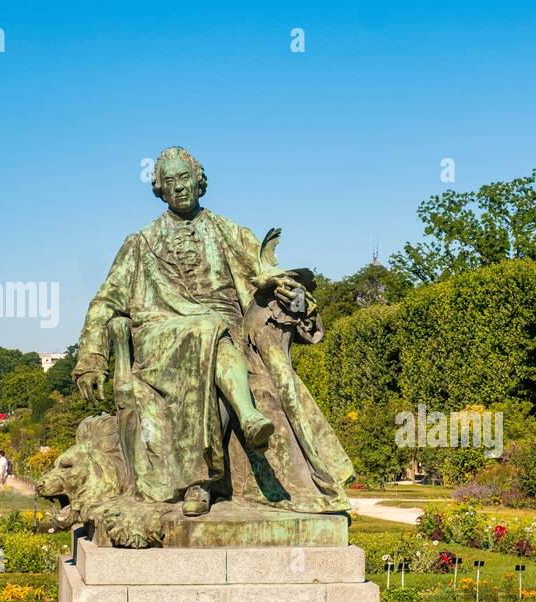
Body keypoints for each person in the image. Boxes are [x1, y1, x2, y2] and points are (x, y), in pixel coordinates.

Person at [71, 146, 352, 517]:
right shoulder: (139, 243)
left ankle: (204, 481)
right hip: (161, 338)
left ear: (199, 182)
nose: (179, 187)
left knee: (212, 337)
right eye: (169, 182)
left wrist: (293, 294)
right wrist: (91, 357)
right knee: (206, 329)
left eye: (184, 178)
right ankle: (245, 418)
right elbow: (105, 301)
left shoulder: (232, 233)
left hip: (227, 339)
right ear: (159, 189)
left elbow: (268, 276)